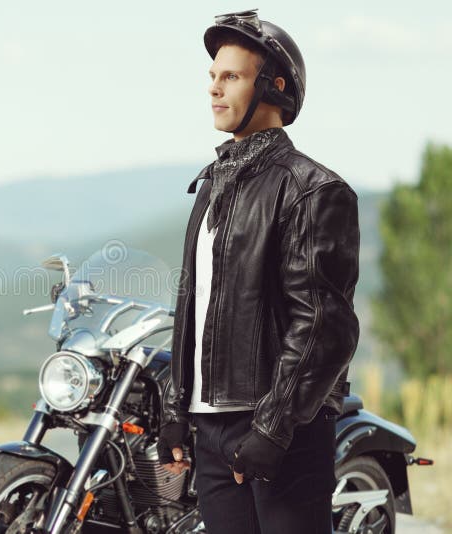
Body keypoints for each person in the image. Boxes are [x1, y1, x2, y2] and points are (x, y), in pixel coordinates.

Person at [157, 10, 360, 534]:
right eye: (212, 76)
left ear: (273, 86)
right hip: (212, 427)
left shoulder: (313, 189)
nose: (214, 88)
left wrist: (273, 428)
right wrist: (177, 409)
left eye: (231, 76)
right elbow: (193, 305)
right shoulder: (213, 185)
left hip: (282, 427)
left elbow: (322, 327)